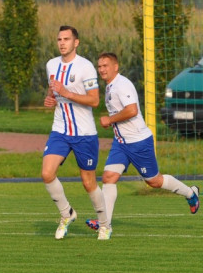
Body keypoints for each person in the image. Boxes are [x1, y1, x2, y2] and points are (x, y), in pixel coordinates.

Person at [85, 52, 199, 238]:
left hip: (139, 143)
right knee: (108, 177)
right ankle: (105, 224)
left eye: (105, 65)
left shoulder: (122, 85)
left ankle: (190, 193)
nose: (102, 69)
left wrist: (110, 119)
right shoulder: (110, 86)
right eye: (99, 66)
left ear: (116, 67)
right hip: (121, 143)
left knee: (154, 181)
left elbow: (132, 110)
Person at [42, 25, 107, 239]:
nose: (62, 43)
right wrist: (50, 99)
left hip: (84, 134)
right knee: (47, 173)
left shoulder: (85, 67)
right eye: (59, 39)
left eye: (66, 39)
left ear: (76, 42)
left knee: (88, 182)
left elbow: (95, 100)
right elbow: (53, 91)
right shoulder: (51, 64)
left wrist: (67, 93)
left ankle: (104, 224)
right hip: (60, 130)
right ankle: (66, 214)